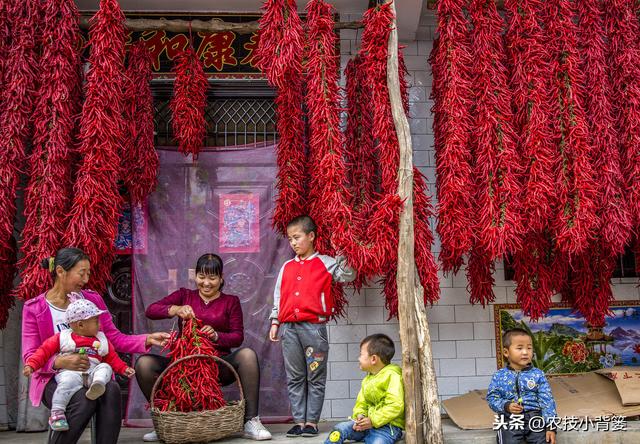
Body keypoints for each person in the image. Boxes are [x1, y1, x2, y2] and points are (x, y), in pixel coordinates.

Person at [21, 247, 170, 444]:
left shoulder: (91, 300)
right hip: (53, 379)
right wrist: (60, 361)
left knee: (111, 389)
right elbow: (30, 355)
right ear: (60, 271)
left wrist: (148, 339)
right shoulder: (35, 308)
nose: (85, 279)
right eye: (81, 273)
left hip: (91, 372)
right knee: (83, 400)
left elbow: (114, 339)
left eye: (88, 273)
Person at [135, 253, 272, 441]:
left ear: (221, 278)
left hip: (216, 366)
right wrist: (175, 309)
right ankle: (165, 419)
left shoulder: (230, 301)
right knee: (144, 363)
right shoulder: (185, 295)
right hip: (184, 365)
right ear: (195, 276)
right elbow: (151, 310)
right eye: (202, 276)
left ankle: (251, 421)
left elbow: (237, 337)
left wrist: (216, 335)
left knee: (247, 355)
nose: (206, 283)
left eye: (212, 277)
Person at [268, 215, 356, 437]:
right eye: (290, 239)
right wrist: (275, 321)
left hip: (314, 329)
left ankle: (312, 423)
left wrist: (342, 250)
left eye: (297, 237)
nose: (293, 243)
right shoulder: (286, 267)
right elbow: (278, 296)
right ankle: (299, 421)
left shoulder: (325, 263)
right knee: (295, 376)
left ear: (311, 236)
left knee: (314, 375)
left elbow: (348, 275)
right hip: (289, 329)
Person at [23, 298, 136, 431]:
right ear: (81, 325)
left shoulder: (101, 339)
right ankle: (57, 414)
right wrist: (31, 365)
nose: (99, 324)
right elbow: (43, 351)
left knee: (106, 367)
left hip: (92, 374)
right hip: (71, 373)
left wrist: (123, 368)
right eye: (95, 321)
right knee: (66, 384)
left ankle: (97, 385)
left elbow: (112, 358)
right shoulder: (63, 337)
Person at [323, 334, 404, 444]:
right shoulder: (368, 379)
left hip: (388, 428)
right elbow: (361, 403)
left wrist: (373, 420)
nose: (358, 358)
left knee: (377, 442)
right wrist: (360, 416)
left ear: (374, 359)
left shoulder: (393, 376)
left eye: (361, 354)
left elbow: (395, 405)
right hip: (366, 425)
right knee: (339, 429)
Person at [487, 328, 557, 444]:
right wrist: (506, 406)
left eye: (529, 348)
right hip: (510, 418)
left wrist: (551, 427)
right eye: (519, 348)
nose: (525, 352)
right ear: (506, 352)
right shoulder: (499, 375)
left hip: (535, 417)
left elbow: (547, 400)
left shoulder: (538, 374)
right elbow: (492, 398)